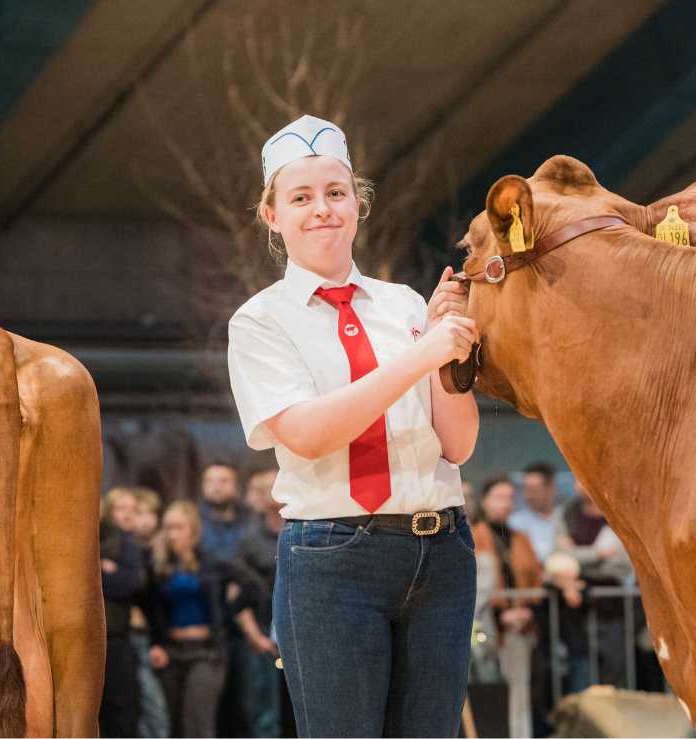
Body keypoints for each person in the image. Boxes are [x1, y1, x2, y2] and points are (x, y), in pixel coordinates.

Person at [227, 114, 480, 737]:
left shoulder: (408, 305)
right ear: (272, 216)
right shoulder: (259, 322)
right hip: (332, 559)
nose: (323, 209)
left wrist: (448, 353)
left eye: (336, 192)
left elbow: (459, 444)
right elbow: (308, 434)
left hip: (443, 552)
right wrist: (422, 354)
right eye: (301, 198)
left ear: (358, 206)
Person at [148, 501, 245, 738]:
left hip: (206, 652)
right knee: (171, 725)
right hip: (171, 651)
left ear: (193, 531)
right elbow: (151, 608)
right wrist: (155, 643)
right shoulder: (160, 567)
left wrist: (228, 610)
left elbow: (250, 584)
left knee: (197, 723)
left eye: (179, 527)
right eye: (168, 528)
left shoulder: (210, 563)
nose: (173, 534)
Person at [472, 476, 543, 739]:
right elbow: (476, 583)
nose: (506, 503)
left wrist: (527, 610)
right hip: (487, 627)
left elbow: (536, 578)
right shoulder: (474, 536)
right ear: (485, 501)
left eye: (510, 498)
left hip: (521, 626)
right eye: (499, 497)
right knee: (489, 692)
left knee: (520, 692)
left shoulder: (521, 538)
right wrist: (501, 613)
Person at [553, 478, 633, 689]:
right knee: (582, 678)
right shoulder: (568, 515)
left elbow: (622, 564)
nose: (578, 484)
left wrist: (577, 560)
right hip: (578, 613)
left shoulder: (617, 514)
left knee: (615, 675)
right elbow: (559, 557)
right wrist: (597, 554)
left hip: (612, 612)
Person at [229, 469, 283, 737]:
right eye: (273, 486)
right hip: (263, 638)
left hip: (305, 637)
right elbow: (237, 595)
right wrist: (255, 637)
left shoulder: (307, 531)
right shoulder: (249, 539)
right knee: (265, 716)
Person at [100, 488, 148, 738]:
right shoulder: (95, 538)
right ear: (109, 511)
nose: (128, 515)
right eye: (121, 508)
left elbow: (127, 583)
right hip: (94, 642)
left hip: (120, 641)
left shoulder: (132, 545)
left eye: (133, 510)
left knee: (124, 712)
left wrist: (102, 571)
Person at [130, 488, 171, 739]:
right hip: (131, 639)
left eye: (151, 513)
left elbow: (158, 605)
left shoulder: (160, 552)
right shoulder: (126, 552)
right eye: (139, 513)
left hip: (152, 640)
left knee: (155, 715)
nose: (146, 520)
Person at [508, 463, 563, 564]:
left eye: (534, 489)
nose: (529, 495)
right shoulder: (515, 522)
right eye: (526, 489)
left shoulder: (565, 518)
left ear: (551, 487)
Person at [198, 463, 250, 563]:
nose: (216, 487)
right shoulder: (193, 522)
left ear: (235, 486)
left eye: (223, 481)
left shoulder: (250, 520)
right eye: (210, 481)